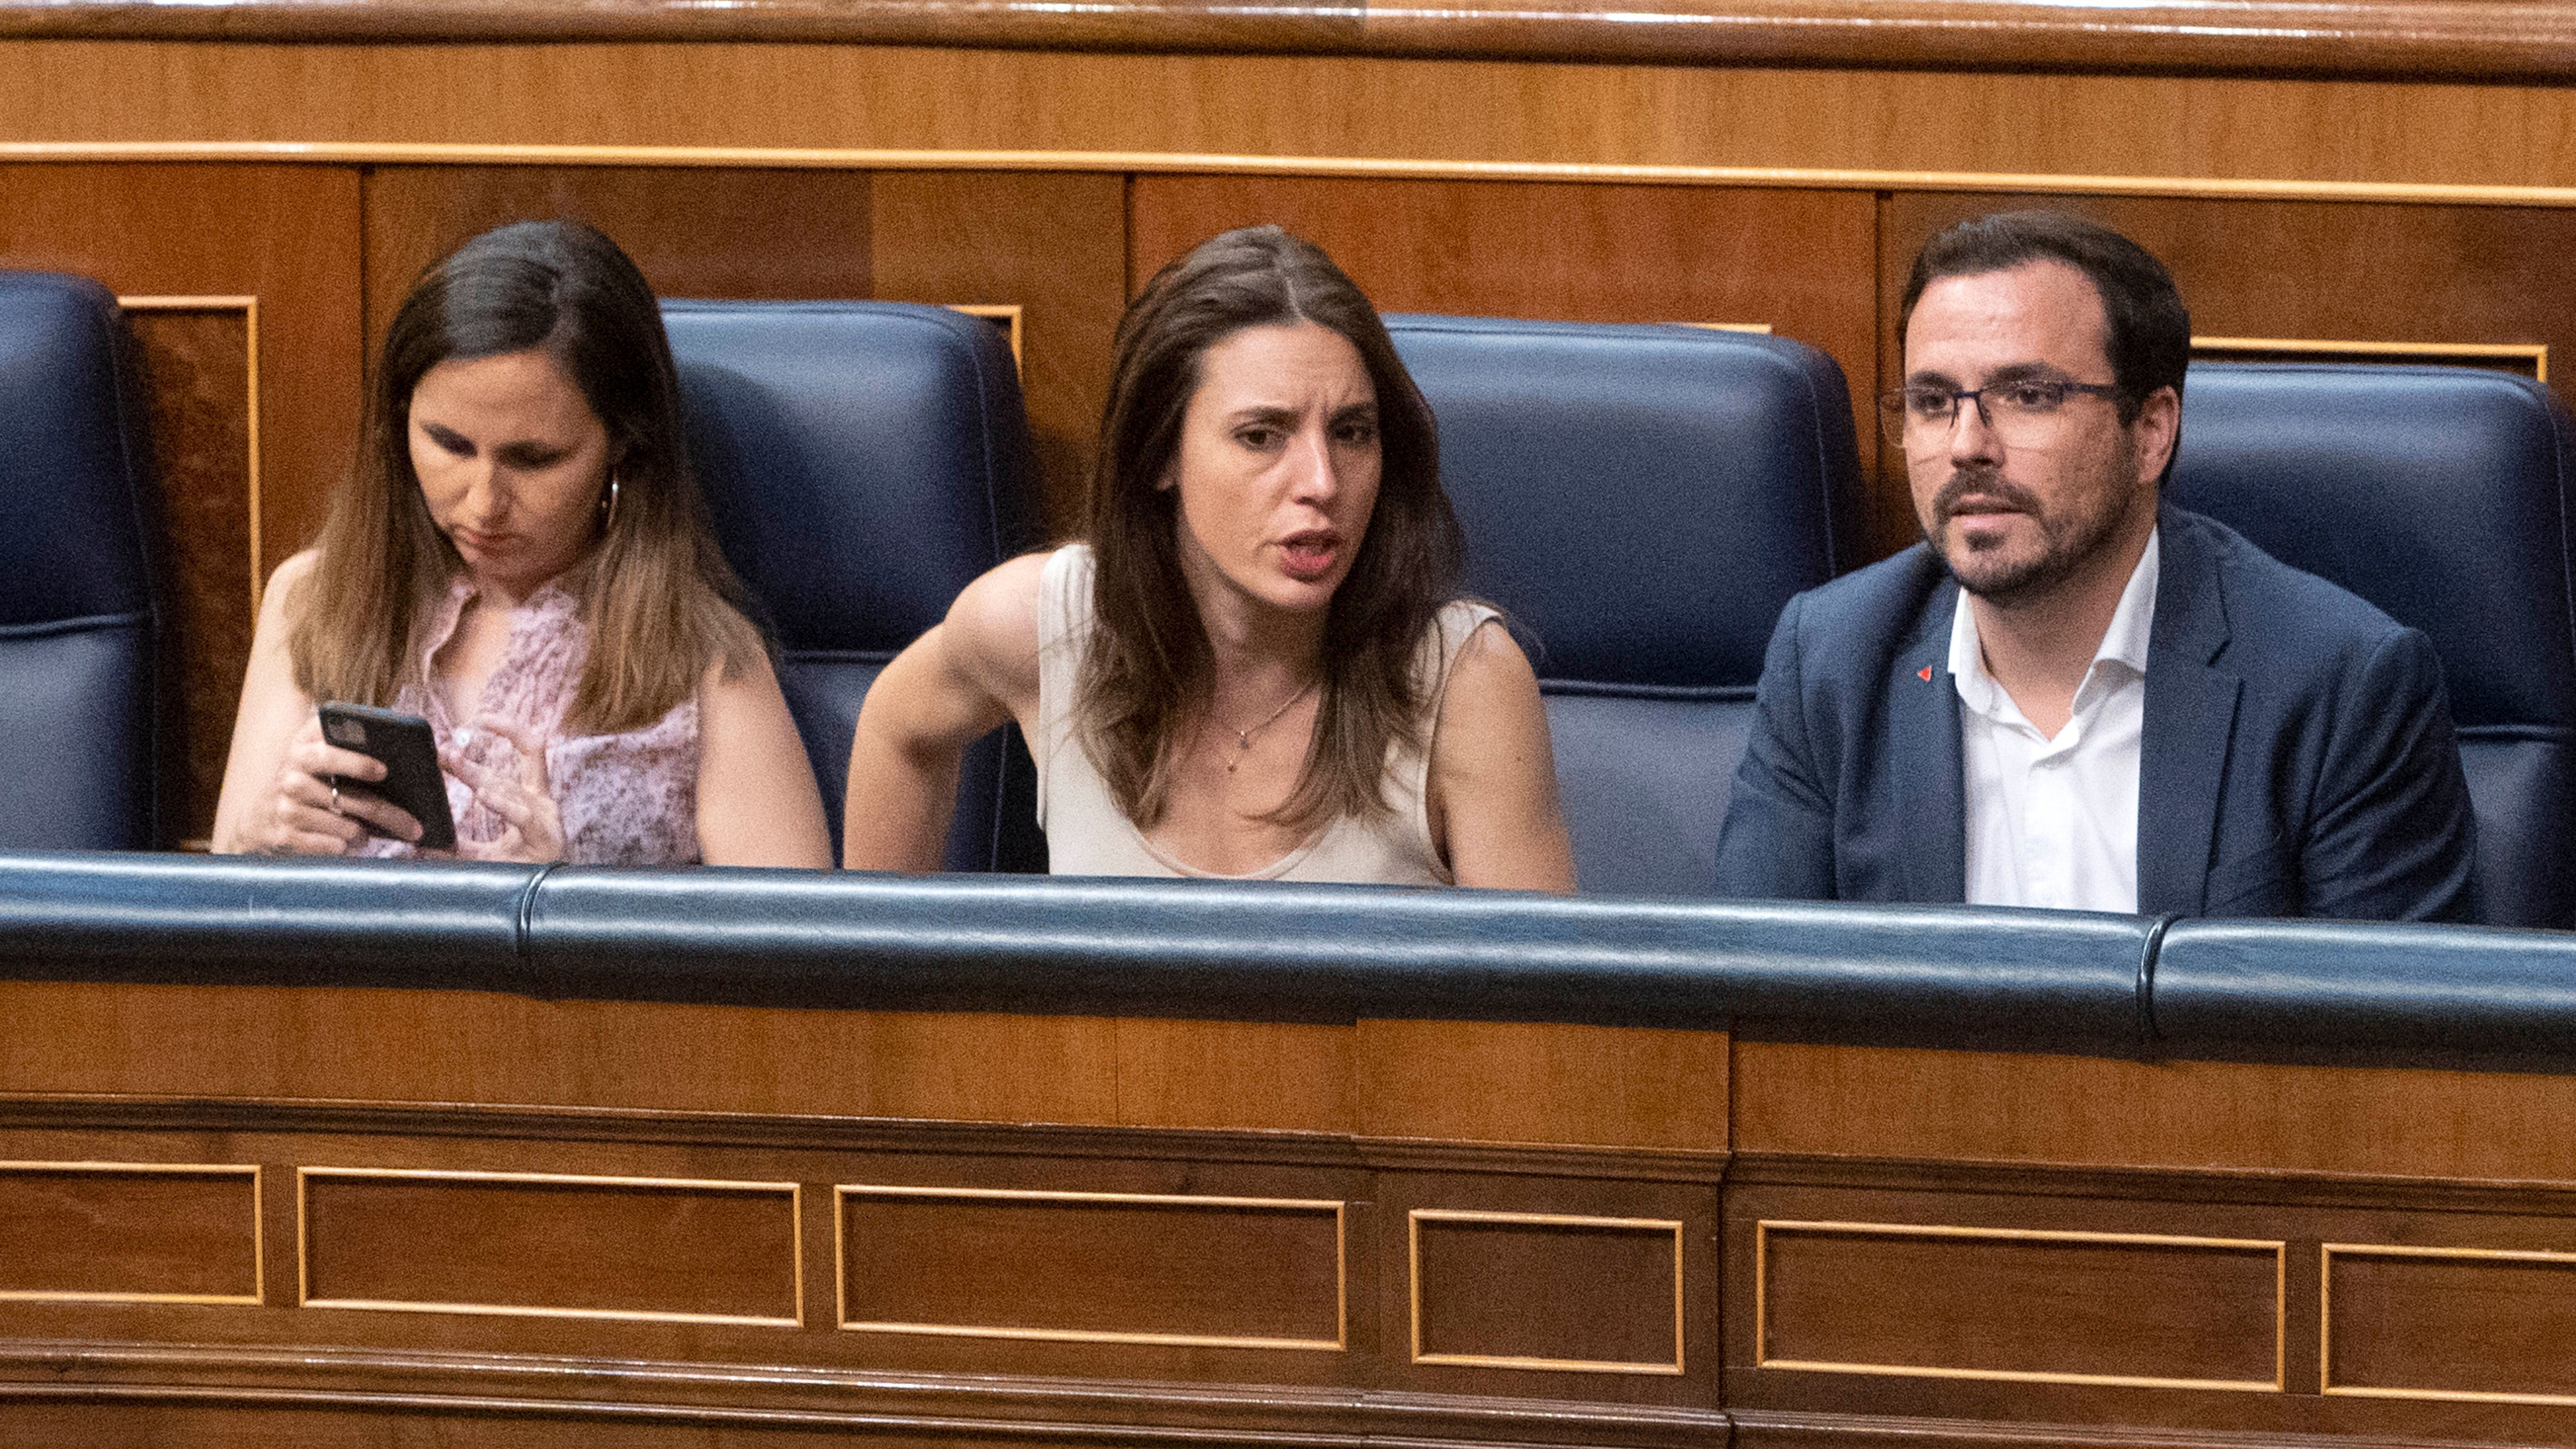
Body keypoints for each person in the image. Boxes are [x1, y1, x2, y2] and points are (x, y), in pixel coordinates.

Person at [1713, 210, 2476, 920]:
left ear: (2149, 433)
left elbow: (2379, 1057)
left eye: (2026, 396)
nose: (1966, 445)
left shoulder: (2340, 690)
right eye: (1932, 401)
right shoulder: (1831, 665)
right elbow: (1748, 1010)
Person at [842, 225, 1573, 889]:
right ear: (1162, 454)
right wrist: (888, 1011)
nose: (1321, 483)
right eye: (1262, 436)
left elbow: (1548, 1023)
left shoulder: (1466, 683)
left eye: (1352, 432)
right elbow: (897, 731)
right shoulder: (1044, 625)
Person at [211, 219, 831, 866]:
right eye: (448, 444)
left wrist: (566, 905)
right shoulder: (313, 599)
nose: (483, 504)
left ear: (623, 440)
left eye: (533, 459)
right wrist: (266, 833)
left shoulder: (702, 656)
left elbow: (790, 951)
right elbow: (216, 907)